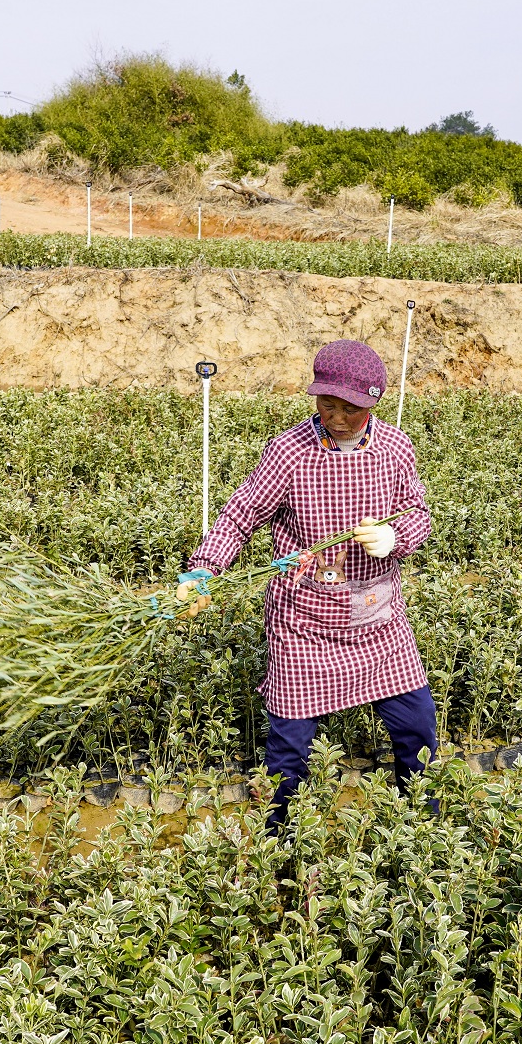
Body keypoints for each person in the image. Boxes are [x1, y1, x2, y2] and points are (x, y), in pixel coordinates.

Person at [178, 339, 435, 829]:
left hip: (378, 619)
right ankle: (279, 837)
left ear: (373, 401)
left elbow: (418, 512)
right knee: (290, 746)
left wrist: (395, 535)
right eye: (326, 404)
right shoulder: (289, 451)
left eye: (349, 408)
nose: (336, 417)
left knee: (416, 726)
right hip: (305, 623)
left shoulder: (395, 448)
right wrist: (204, 570)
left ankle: (423, 823)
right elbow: (241, 514)